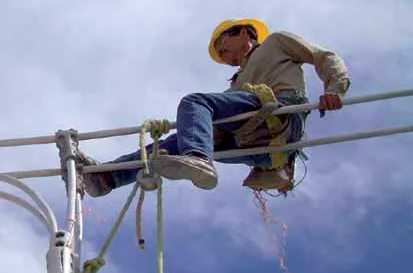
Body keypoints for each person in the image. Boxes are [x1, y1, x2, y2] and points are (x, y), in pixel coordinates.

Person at [79, 18, 350, 197]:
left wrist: (334, 89)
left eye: (225, 48)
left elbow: (323, 57)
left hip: (281, 112)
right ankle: (106, 179)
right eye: (222, 56)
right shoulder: (237, 84)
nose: (226, 58)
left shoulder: (277, 42)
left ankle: (198, 159)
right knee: (176, 143)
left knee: (195, 103)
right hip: (258, 143)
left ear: (244, 32)